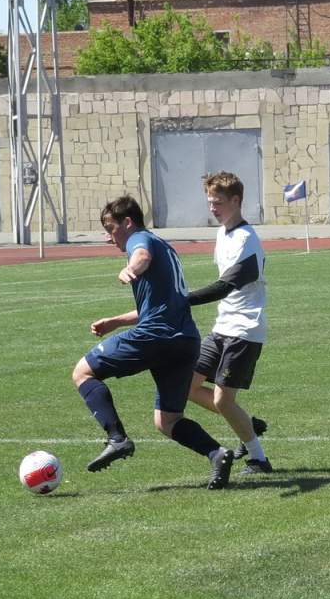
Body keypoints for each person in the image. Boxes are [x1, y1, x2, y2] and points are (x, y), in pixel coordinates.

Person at [71, 195, 235, 489]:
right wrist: (115, 321)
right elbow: (161, 305)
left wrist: (132, 268)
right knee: (167, 421)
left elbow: (141, 257)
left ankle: (117, 438)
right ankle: (217, 453)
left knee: (82, 372)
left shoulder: (140, 240)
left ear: (127, 222)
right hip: (185, 341)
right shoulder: (165, 248)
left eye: (111, 229)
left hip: (156, 336)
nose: (109, 238)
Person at [186, 172, 272, 475]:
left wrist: (183, 300)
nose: (213, 208)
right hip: (222, 326)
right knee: (187, 385)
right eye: (210, 202)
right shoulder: (223, 233)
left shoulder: (247, 239)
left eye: (218, 202)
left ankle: (259, 459)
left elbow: (227, 285)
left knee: (224, 400)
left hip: (244, 329)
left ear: (236, 201)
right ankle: (247, 423)